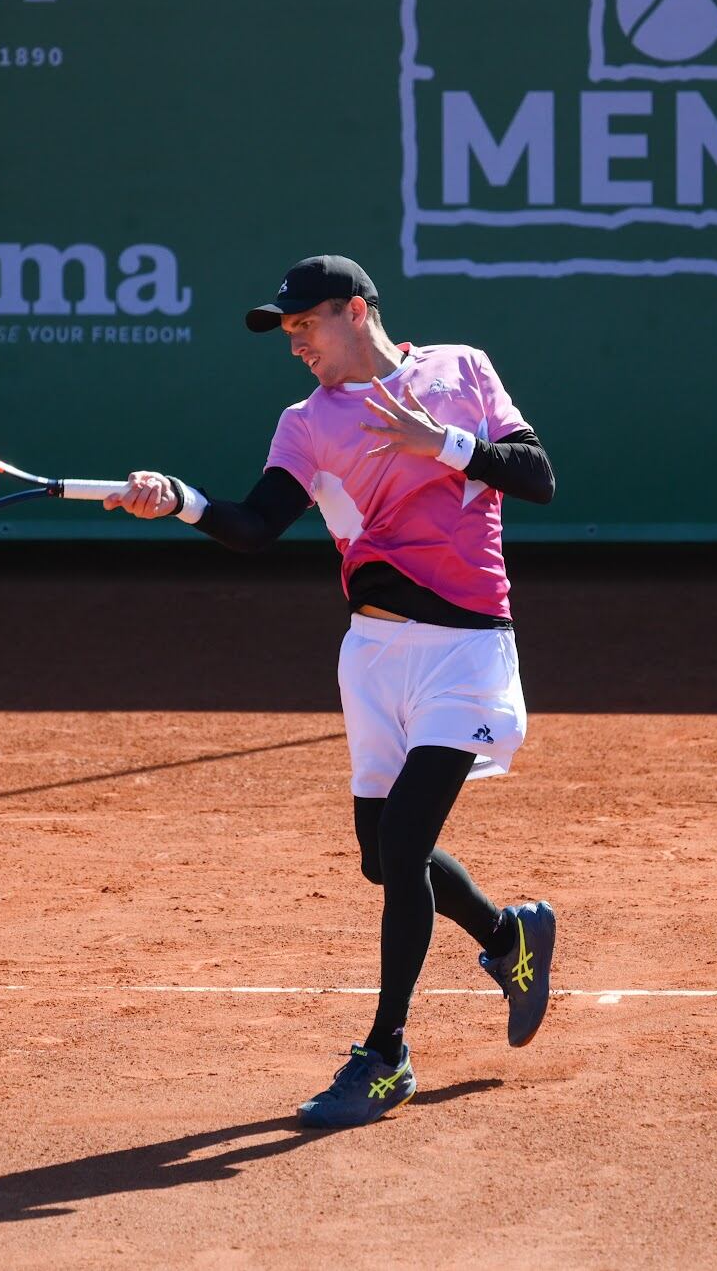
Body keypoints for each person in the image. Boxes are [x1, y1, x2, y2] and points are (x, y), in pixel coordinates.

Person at [103, 255, 558, 1129]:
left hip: (465, 653)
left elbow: (537, 475)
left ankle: (385, 1055)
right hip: (373, 656)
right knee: (384, 858)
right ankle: (508, 937)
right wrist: (184, 502)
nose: (295, 343)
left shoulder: (459, 369)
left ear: (357, 311)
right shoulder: (306, 425)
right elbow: (256, 524)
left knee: (405, 837)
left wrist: (444, 444)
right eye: (286, 331)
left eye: (305, 324)